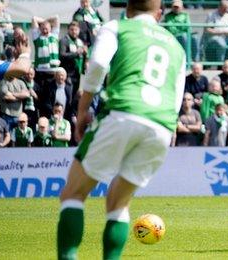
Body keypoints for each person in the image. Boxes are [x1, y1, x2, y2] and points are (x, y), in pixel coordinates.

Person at [56, 1, 186, 259]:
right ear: (159, 14)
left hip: (123, 111)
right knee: (118, 202)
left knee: (73, 193)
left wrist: (82, 110)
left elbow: (97, 66)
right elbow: (177, 96)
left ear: (127, 9)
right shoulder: (176, 46)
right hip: (161, 125)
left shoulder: (117, 27)